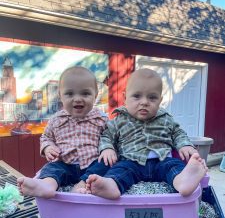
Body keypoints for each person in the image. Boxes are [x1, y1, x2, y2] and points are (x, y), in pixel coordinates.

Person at [86, 68, 208, 199]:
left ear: (160, 100)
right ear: (125, 98)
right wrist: (107, 148)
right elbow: (106, 135)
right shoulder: (119, 120)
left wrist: (185, 145)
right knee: (120, 171)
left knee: (174, 166)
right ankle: (111, 185)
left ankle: (183, 181)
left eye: (152, 97)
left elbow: (178, 133)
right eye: (137, 96)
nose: (144, 102)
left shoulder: (165, 118)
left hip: (161, 160)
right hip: (131, 161)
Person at [17, 66, 110, 198]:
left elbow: (111, 137)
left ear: (95, 95)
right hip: (66, 165)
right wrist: (48, 147)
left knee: (105, 163)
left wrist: (108, 149)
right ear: (61, 96)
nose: (77, 99)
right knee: (51, 167)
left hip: (92, 165)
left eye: (85, 93)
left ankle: (83, 184)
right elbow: (46, 137)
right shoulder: (56, 119)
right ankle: (47, 185)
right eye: (70, 94)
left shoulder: (101, 119)